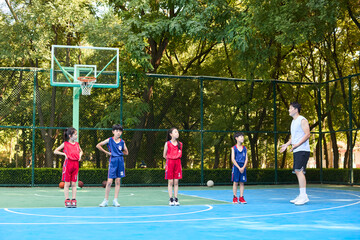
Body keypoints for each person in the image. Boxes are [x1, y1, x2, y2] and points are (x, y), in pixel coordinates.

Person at [280, 102, 311, 205]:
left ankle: (304, 196)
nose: (289, 110)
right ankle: (301, 195)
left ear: (296, 109)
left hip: (303, 149)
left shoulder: (302, 120)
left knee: (299, 171)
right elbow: (293, 137)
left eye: (290, 108)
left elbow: (307, 134)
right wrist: (287, 144)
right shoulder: (293, 122)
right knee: (297, 171)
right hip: (297, 149)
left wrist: (297, 144)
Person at [97, 124, 128, 207]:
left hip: (120, 161)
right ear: (113, 131)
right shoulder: (109, 140)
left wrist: (121, 152)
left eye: (120, 131)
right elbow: (98, 145)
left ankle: (115, 200)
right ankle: (105, 200)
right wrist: (107, 152)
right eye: (116, 131)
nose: (118, 133)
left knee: (118, 181)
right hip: (113, 161)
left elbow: (126, 152)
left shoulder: (122, 142)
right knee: (110, 182)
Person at [54, 127, 83, 208]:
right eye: (75, 134)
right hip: (68, 165)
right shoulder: (65, 144)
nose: (77, 136)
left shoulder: (77, 144)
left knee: (74, 183)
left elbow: (81, 151)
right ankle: (67, 200)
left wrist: (80, 156)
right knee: (67, 184)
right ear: (70, 136)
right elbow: (55, 151)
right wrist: (64, 154)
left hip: (75, 164)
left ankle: (73, 199)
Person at [163, 128, 183, 206]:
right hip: (170, 162)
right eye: (175, 132)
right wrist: (170, 159)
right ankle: (171, 198)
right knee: (170, 182)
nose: (177, 133)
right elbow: (164, 155)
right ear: (171, 134)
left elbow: (180, 153)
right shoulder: (167, 143)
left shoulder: (180, 144)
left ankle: (176, 198)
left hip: (177, 163)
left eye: (177, 132)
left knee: (176, 182)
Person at [231, 132, 248, 204]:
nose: (242, 138)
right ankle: (235, 197)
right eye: (241, 137)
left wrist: (243, 167)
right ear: (236, 138)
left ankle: (241, 197)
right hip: (236, 167)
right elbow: (233, 159)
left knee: (242, 183)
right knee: (235, 182)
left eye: (243, 137)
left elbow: (246, 159)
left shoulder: (245, 148)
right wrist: (239, 167)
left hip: (243, 166)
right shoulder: (233, 148)